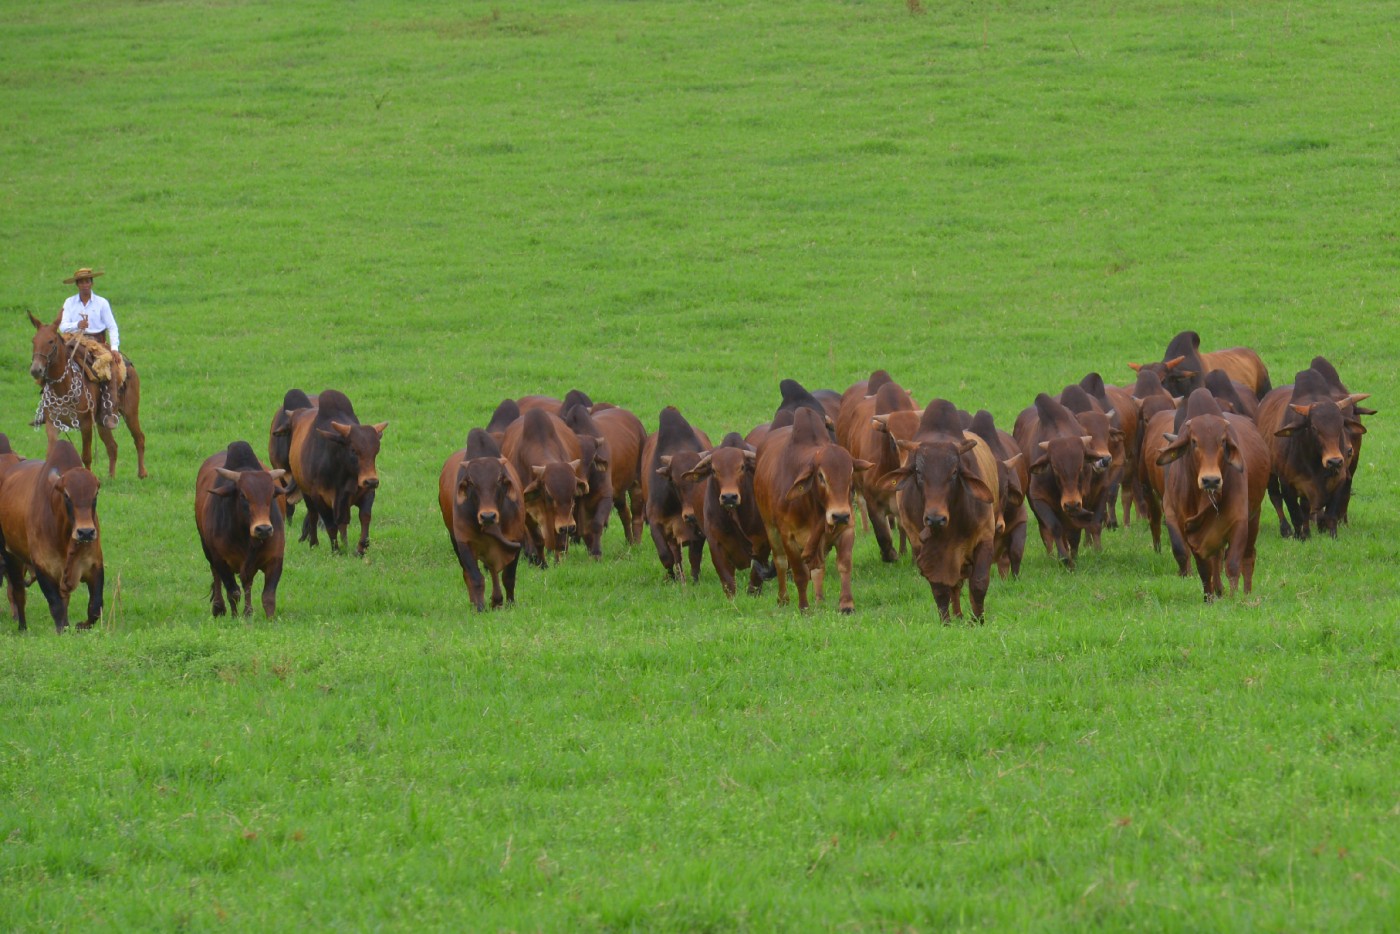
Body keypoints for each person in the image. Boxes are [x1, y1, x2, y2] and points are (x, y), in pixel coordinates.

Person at [58, 267, 123, 428]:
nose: (85, 284)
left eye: (87, 281)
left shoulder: (101, 303)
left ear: (91, 283)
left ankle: (109, 410)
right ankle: (48, 405)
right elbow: (62, 326)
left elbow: (112, 326)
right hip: (74, 341)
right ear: (77, 285)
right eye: (81, 282)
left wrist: (114, 348)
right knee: (53, 361)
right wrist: (77, 324)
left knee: (110, 369)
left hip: (97, 344)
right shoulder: (69, 302)